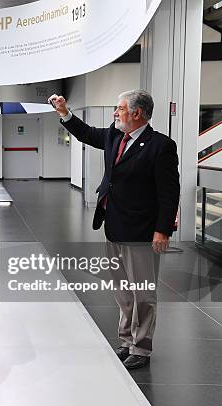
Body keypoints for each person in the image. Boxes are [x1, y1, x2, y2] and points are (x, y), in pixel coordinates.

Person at [48, 90, 180, 369]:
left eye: (119, 109)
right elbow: (87, 133)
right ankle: (126, 341)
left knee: (143, 292)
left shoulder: (161, 146)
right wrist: (64, 112)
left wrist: (163, 230)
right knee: (123, 292)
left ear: (137, 113)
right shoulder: (114, 135)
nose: (115, 113)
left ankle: (141, 348)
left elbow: (169, 193)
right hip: (115, 226)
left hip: (143, 231)